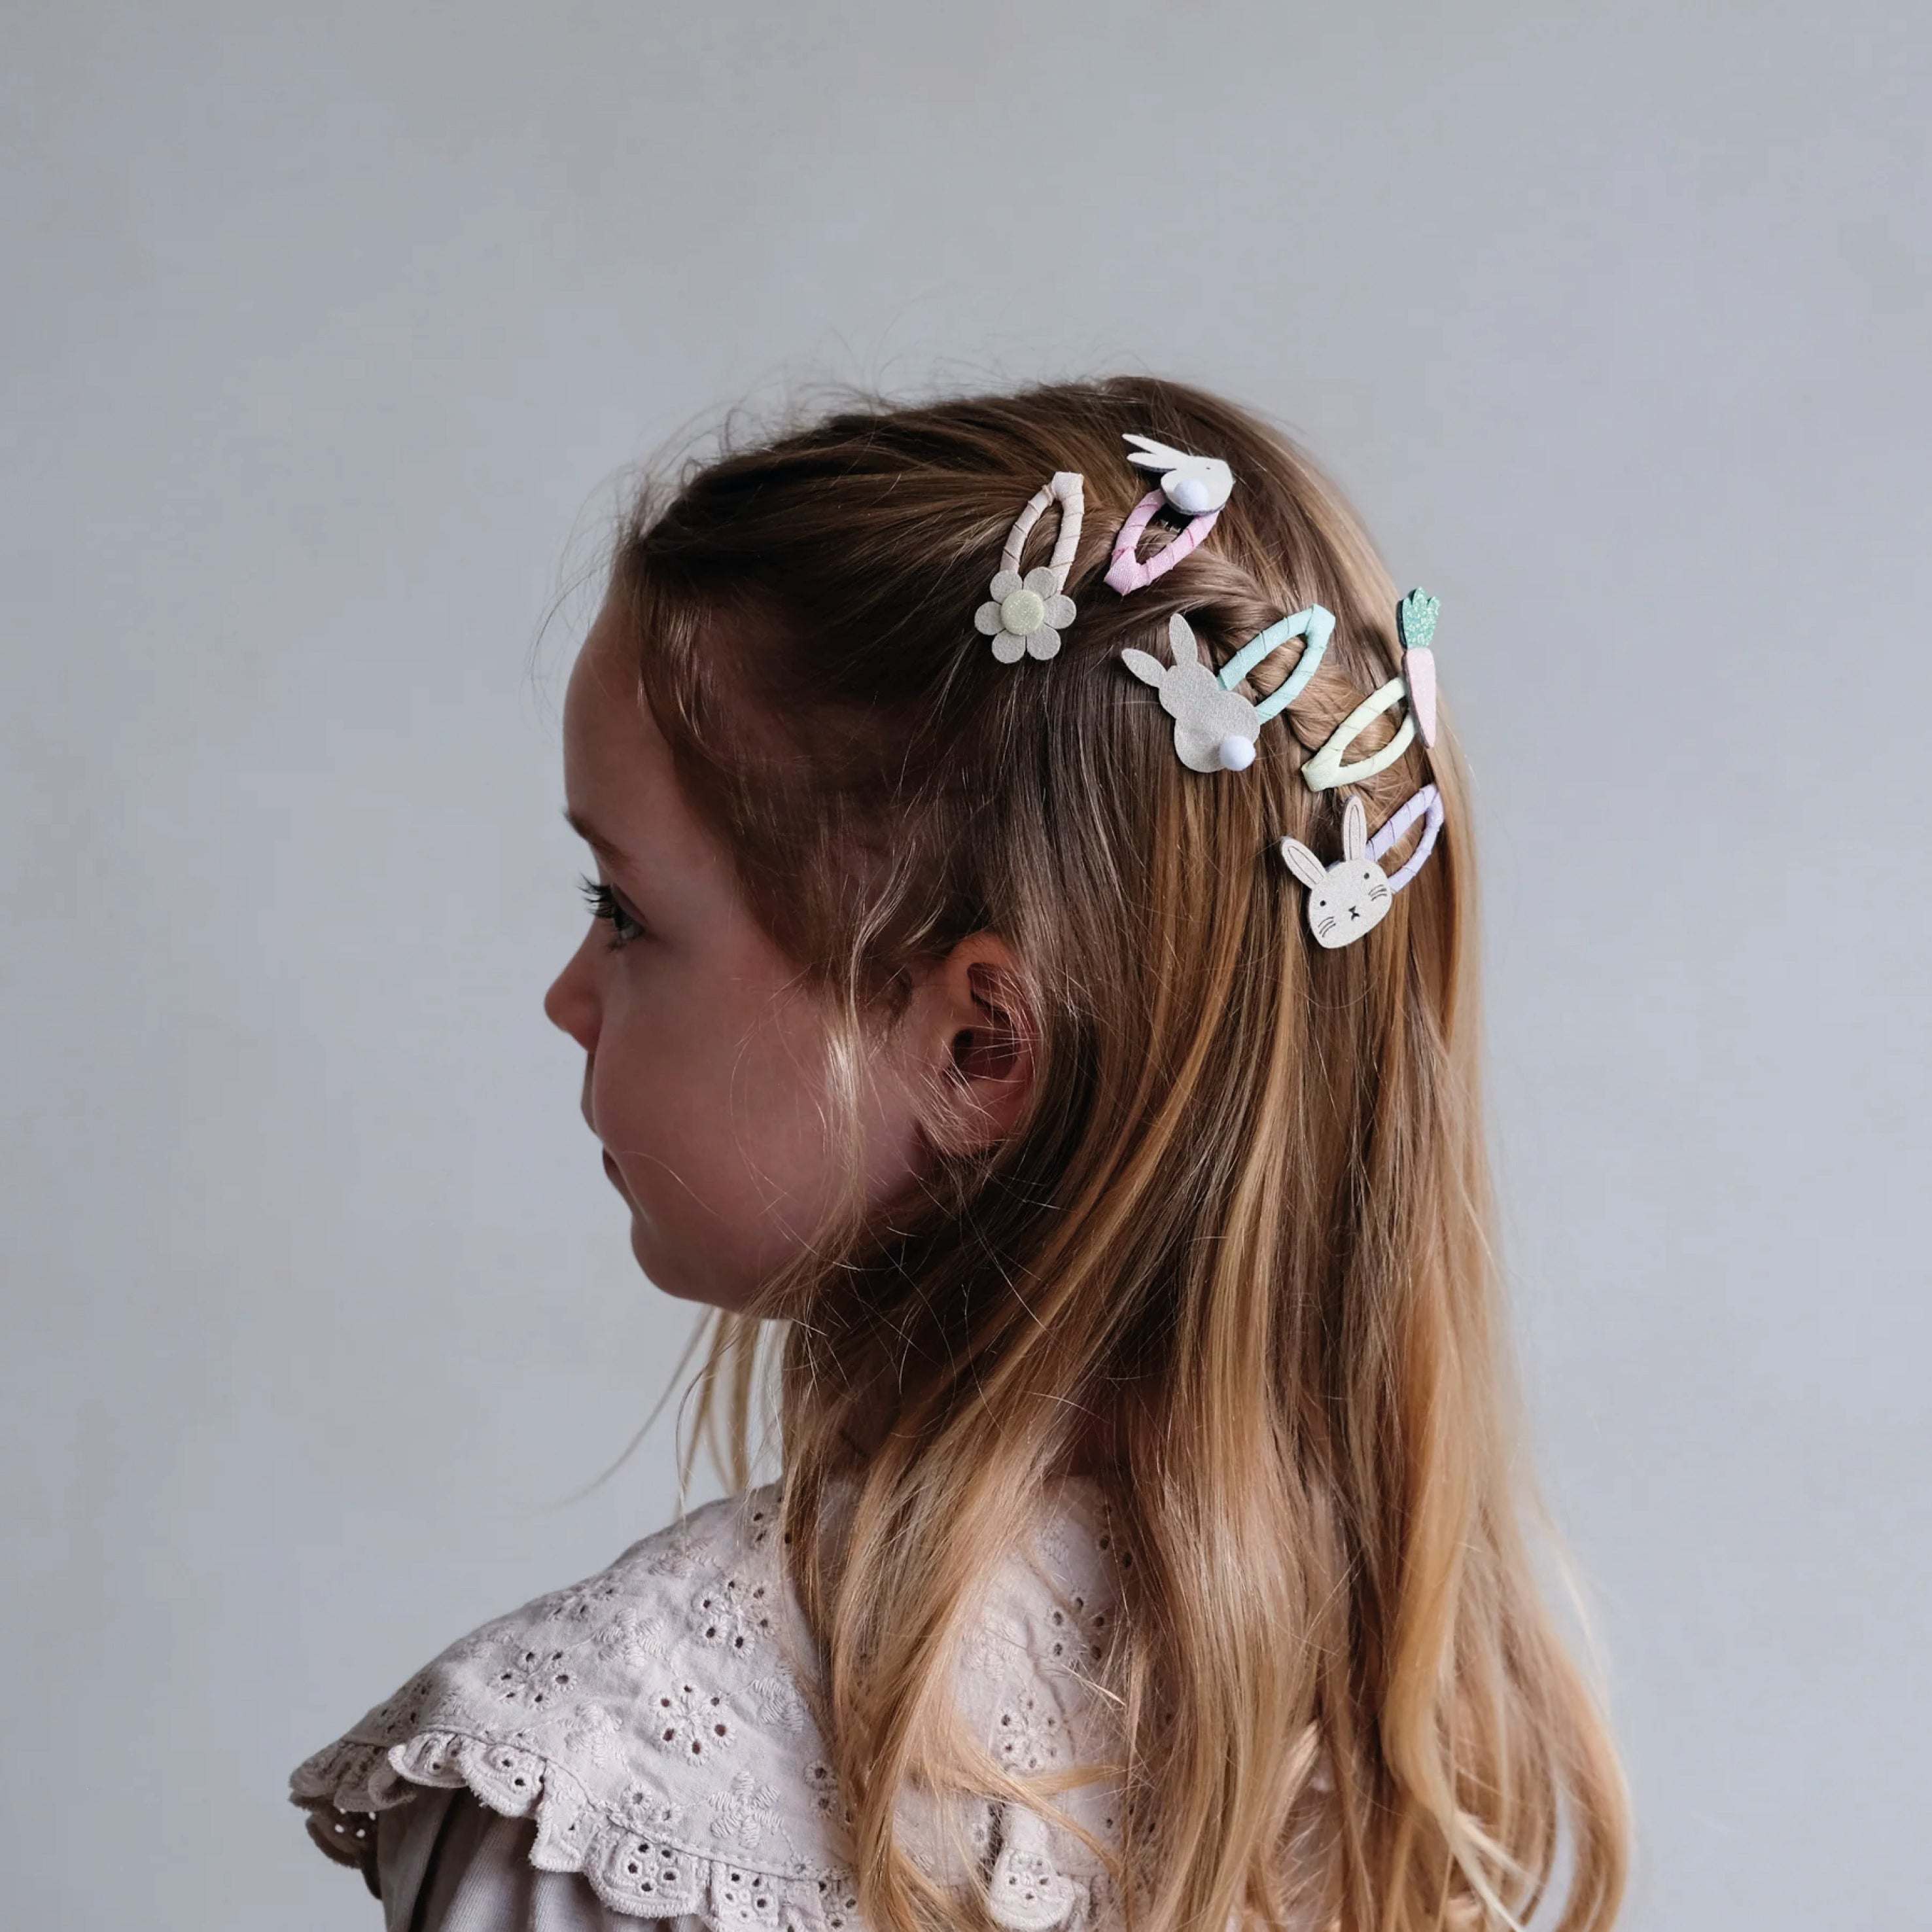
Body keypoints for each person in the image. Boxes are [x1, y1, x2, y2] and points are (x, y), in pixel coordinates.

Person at [287, 376, 1630, 1932]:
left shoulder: (611, 1790)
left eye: (626, 911)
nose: (567, 996)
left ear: (980, 1046)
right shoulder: (1417, 1742)